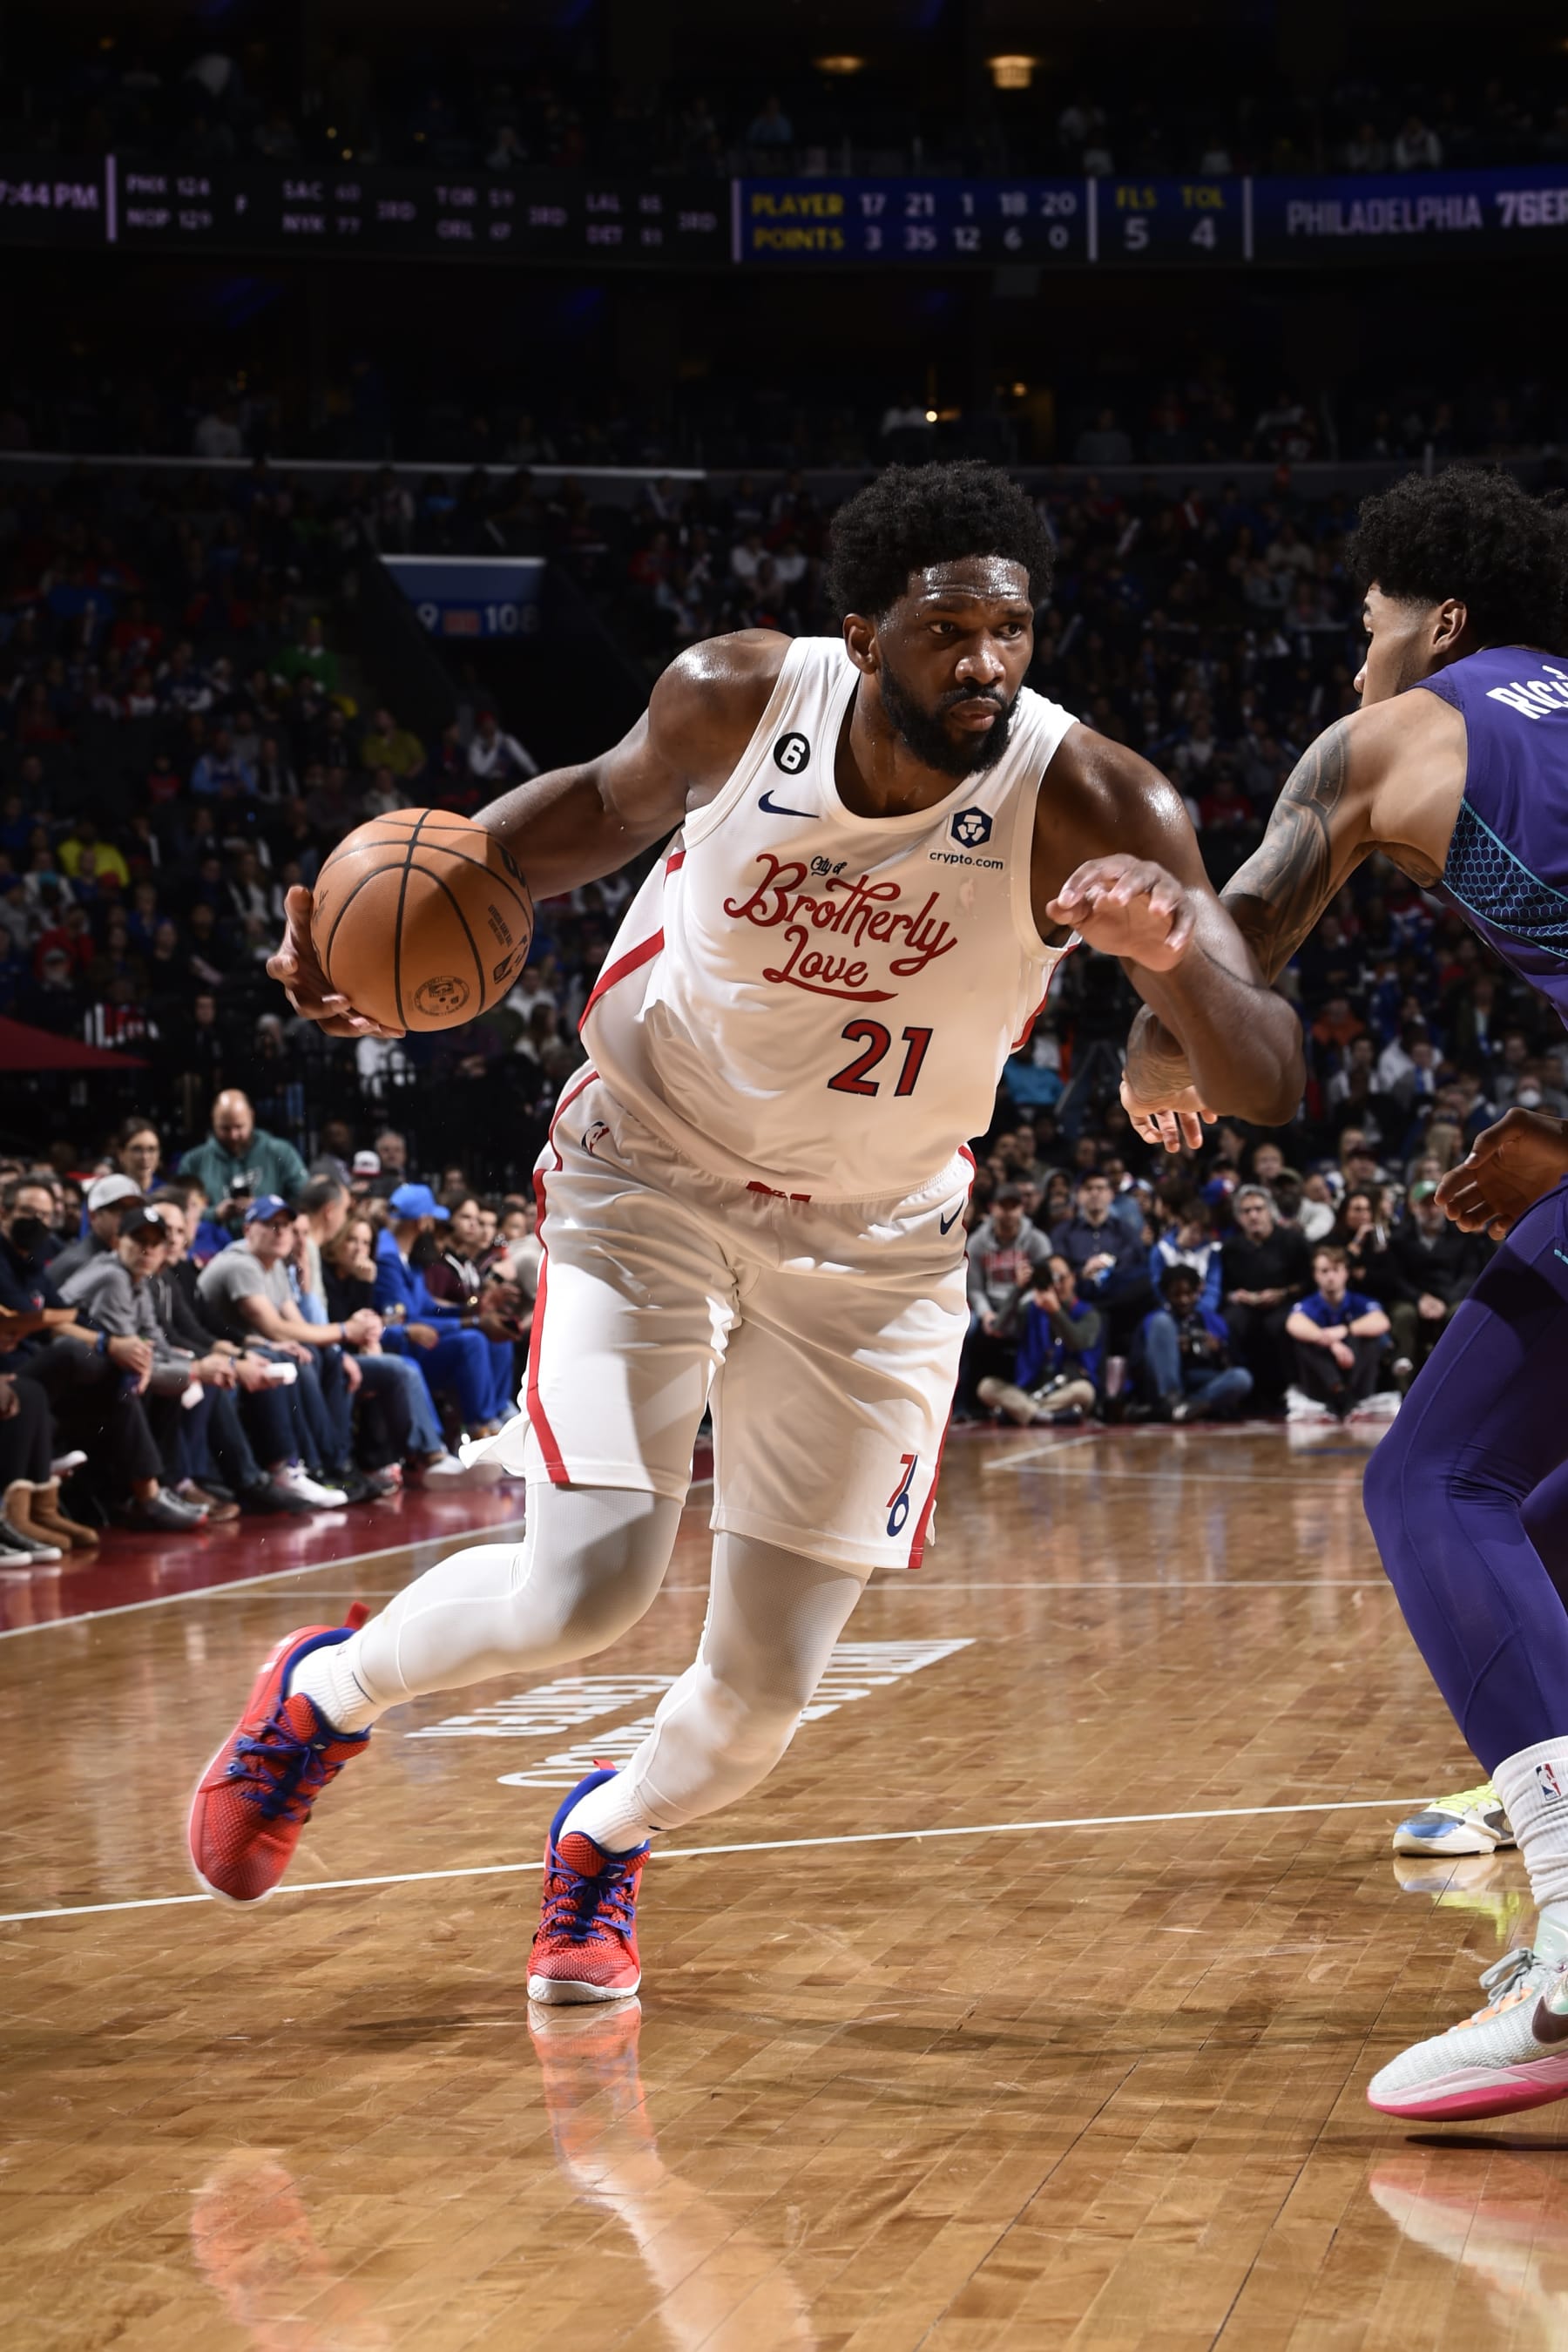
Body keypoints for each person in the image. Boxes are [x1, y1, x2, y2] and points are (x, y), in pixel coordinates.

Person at [193, 457, 1302, 2001]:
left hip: (879, 1242)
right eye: (946, 632)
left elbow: (1268, 1066)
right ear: (862, 630)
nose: (986, 663)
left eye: (1013, 630)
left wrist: (1173, 956)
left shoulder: (1100, 801)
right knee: (584, 1586)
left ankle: (603, 1842)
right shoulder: (736, 698)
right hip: (651, 1167)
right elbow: (567, 820)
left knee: (762, 1701)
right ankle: (322, 1696)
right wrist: (364, 931)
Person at [1121, 465, 1568, 2114]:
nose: (1350, 661)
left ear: (1440, 622)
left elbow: (1225, 955)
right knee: (1535, 1520)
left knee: (1434, 1483)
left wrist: (1151, 1038)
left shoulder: (1394, 740)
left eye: (1368, 625)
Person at [977, 1254, 1100, 1425]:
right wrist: (1018, 1290)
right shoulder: (1030, 1309)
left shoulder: (1087, 1313)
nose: (1056, 1285)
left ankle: (1021, 1413)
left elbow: (1077, 1343)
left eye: (1061, 1278)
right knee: (986, 1387)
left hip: (1063, 1390)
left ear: (1073, 1278)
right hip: (1026, 1390)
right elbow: (998, 1329)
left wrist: (1056, 1312)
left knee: (1085, 1391)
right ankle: (1045, 1416)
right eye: (1051, 1279)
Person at [1220, 1185, 1313, 1405]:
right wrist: (1237, 1296)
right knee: (1230, 1322)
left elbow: (1308, 1281)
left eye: (1259, 1209)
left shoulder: (1293, 1240)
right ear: (1239, 1218)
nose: (1253, 1215)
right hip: (1246, 1305)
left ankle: (1293, 1388)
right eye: (1246, 1211)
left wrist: (1283, 1292)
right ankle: (1238, 1391)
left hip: (1286, 1301)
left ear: (1270, 1211)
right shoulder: (1230, 1247)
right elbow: (1223, 1288)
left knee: (1281, 1324)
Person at [1383, 1177, 1483, 1383]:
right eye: (1425, 1204)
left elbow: (1469, 1275)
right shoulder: (1399, 1238)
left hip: (1450, 1296)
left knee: (1460, 1312)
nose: (1431, 1210)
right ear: (1413, 1207)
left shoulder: (1462, 1235)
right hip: (1413, 1298)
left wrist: (1444, 1301)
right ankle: (1404, 1388)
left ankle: (1460, 1382)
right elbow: (1395, 1278)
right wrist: (1419, 1299)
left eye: (1436, 1204)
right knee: (1403, 1314)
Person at [1283, 1245, 1393, 1421]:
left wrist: (1345, 1330)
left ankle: (1347, 1394)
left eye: (1335, 1270)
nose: (1330, 1277)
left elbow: (1382, 1322)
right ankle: (1339, 1392)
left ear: (1346, 1273)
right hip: (1322, 1386)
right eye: (1324, 1271)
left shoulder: (1359, 1301)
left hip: (1358, 1382)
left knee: (1368, 1336)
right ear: (1315, 1275)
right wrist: (1331, 1342)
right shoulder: (1309, 1304)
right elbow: (1293, 1324)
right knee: (1304, 1341)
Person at [1133, 1264, 1254, 1423]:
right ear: (1166, 1294)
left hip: (1199, 1380)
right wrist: (1172, 1350)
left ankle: (1185, 1409)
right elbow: (1138, 1362)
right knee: (1162, 1322)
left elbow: (1232, 1362)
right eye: (1176, 1295)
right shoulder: (1155, 1320)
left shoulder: (1211, 1320)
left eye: (1189, 1294)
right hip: (1165, 1382)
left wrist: (1219, 1350)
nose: (1184, 1300)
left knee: (1241, 1377)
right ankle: (1172, 1403)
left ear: (1198, 1292)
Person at [178, 1089, 308, 1206]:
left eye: (239, 1127)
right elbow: (181, 1209)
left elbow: (305, 1198)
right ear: (213, 1120)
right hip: (214, 1232)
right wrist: (215, 1214)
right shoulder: (193, 1161)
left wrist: (262, 1208)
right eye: (225, 1128)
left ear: (251, 1116)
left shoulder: (281, 1152)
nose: (233, 1135)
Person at [49, 1173, 144, 1288]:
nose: (130, 1218)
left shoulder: (132, 1259)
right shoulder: (78, 1265)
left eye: (135, 1211)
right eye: (121, 1211)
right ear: (93, 1216)